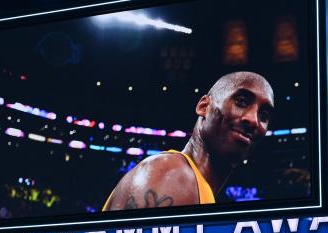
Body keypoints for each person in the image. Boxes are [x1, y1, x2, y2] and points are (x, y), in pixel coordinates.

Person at [103, 71, 275, 210]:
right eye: (242, 102)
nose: (254, 120)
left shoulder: (196, 186)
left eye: (264, 115)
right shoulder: (174, 175)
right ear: (204, 107)